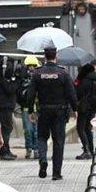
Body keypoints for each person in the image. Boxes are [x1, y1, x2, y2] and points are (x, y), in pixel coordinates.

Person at [29, 47, 77, 180]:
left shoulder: (37, 73)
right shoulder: (63, 73)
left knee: (42, 137)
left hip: (44, 110)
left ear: (44, 56)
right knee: (58, 141)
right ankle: (56, 173)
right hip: (60, 111)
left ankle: (43, 159)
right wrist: (75, 109)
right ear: (56, 56)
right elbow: (71, 93)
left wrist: (31, 110)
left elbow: (31, 94)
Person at [74, 63, 96, 160]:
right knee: (88, 129)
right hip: (93, 108)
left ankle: (86, 150)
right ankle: (91, 150)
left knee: (80, 128)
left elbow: (78, 93)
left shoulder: (85, 81)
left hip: (84, 108)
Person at [20, 56, 40, 160]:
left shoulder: (39, 78)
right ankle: (29, 149)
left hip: (37, 108)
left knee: (37, 131)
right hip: (26, 109)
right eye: (29, 66)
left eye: (33, 66)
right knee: (28, 130)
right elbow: (20, 93)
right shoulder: (23, 80)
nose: (31, 68)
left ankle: (36, 150)